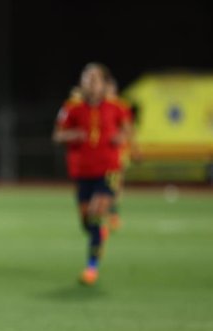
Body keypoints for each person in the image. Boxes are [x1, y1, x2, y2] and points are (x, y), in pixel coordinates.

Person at [52, 62, 131, 285]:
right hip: (83, 171)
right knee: (87, 222)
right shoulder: (72, 107)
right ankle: (98, 233)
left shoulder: (117, 107)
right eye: (86, 78)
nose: (90, 83)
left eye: (95, 79)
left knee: (96, 213)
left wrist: (121, 138)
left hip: (109, 169)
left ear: (105, 84)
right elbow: (57, 135)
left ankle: (91, 267)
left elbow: (126, 130)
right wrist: (72, 135)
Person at [104, 78, 136, 231]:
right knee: (105, 183)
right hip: (102, 153)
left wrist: (134, 147)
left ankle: (112, 212)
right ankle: (108, 211)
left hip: (118, 152)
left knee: (115, 183)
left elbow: (128, 128)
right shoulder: (100, 107)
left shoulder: (120, 106)